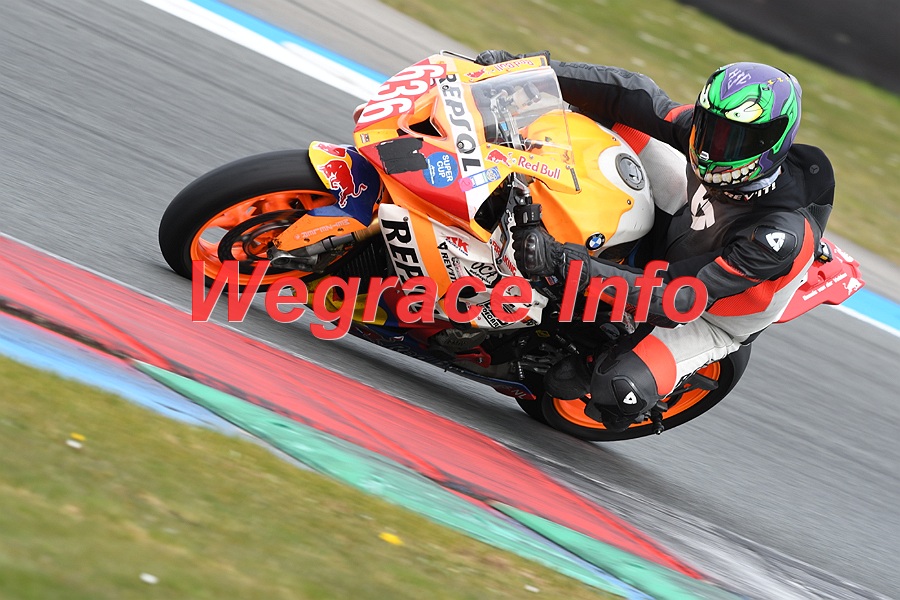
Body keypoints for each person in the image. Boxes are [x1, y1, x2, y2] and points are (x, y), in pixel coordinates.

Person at [475, 50, 834, 431]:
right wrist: (524, 73)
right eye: (710, 126)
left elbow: (676, 296)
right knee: (607, 118)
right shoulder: (706, 141)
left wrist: (562, 262)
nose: (712, 145)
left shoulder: (778, 236)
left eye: (732, 138)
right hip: (687, 219)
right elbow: (633, 96)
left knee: (615, 390)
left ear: (770, 142)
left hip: (707, 311)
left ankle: (602, 355)